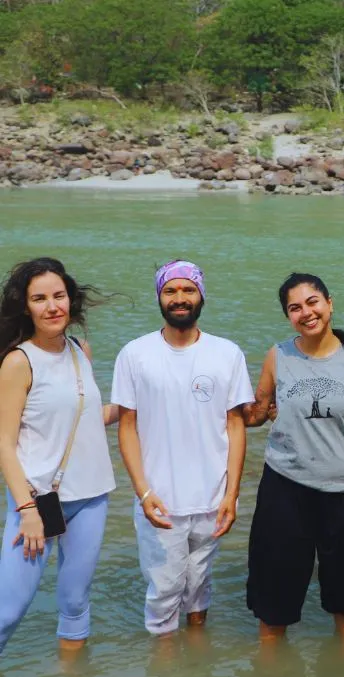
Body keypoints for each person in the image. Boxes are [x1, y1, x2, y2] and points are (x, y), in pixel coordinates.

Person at [112, 260, 253, 637]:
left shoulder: (227, 353)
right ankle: (166, 671)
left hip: (214, 499)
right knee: (164, 590)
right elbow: (127, 426)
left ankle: (196, 664)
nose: (179, 298)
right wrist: (143, 492)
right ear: (159, 297)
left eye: (188, 290)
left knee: (200, 584)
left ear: (201, 296)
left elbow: (236, 425)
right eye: (170, 291)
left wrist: (232, 494)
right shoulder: (135, 354)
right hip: (159, 499)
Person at [243, 273, 344, 639]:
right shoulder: (278, 355)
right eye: (294, 307)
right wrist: (219, 409)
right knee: (274, 598)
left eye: (312, 302)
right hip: (285, 488)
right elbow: (257, 411)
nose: (306, 312)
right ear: (288, 315)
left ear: (329, 303)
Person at [0, 258, 117, 655]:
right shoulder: (19, 361)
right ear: (25, 306)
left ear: (71, 299)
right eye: (40, 299)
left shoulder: (79, 350)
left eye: (58, 296)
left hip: (91, 496)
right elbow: (4, 441)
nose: (52, 306)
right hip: (35, 501)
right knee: (8, 609)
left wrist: (132, 406)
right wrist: (27, 509)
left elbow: (83, 418)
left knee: (74, 603)